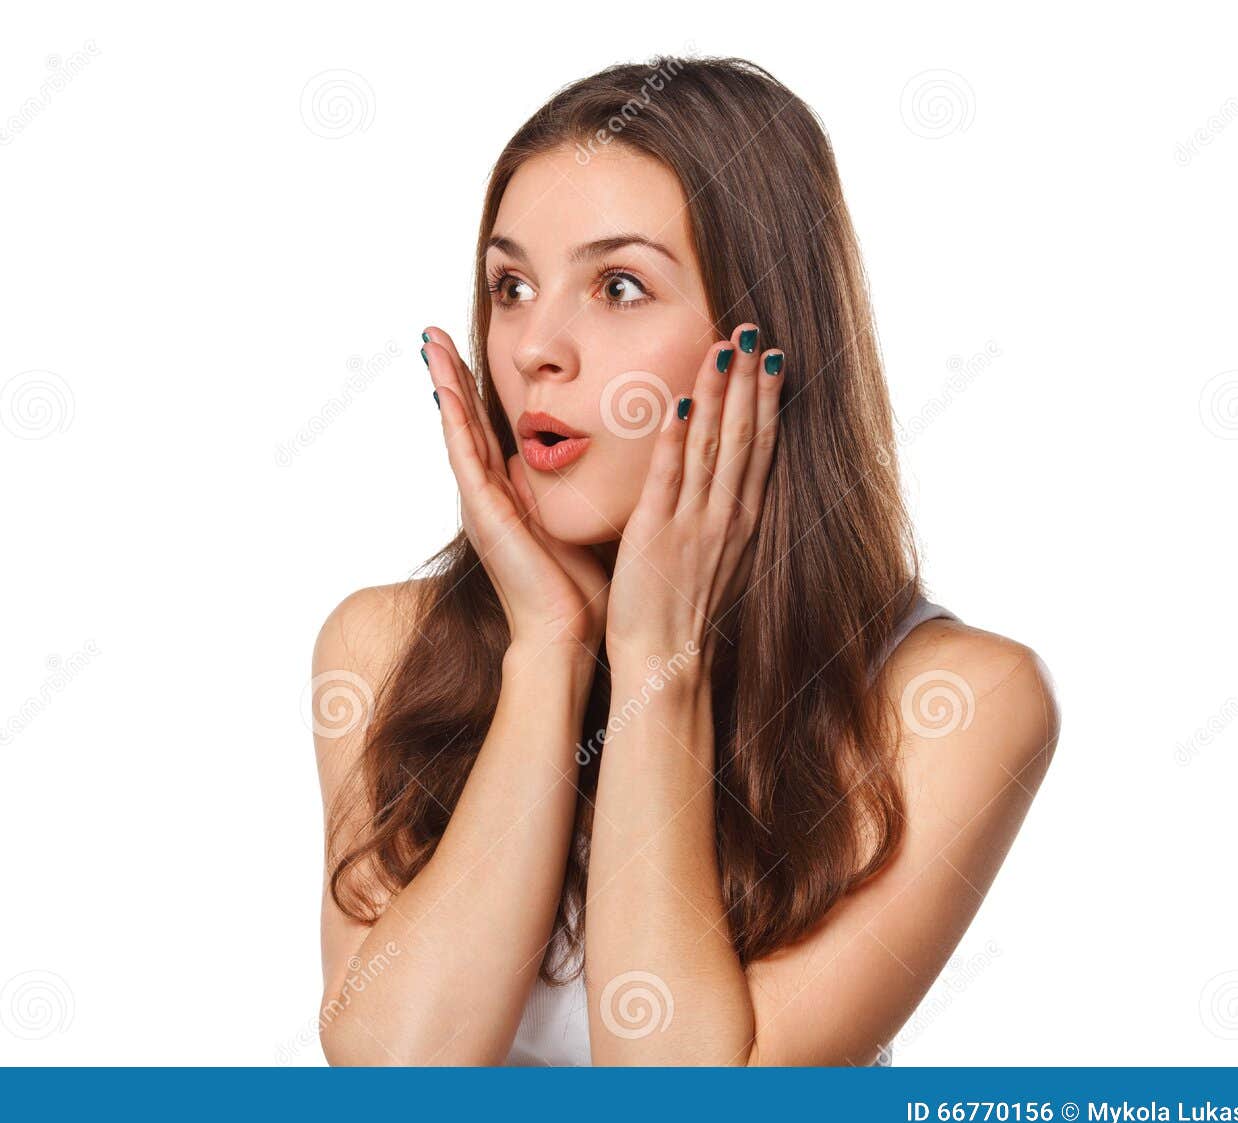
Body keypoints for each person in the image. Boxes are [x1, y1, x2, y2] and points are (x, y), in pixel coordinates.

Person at [309, 55, 1060, 1066]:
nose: (536, 346)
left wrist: (661, 654)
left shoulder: (959, 699)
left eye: (618, 285)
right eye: (512, 285)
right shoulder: (382, 644)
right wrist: (549, 647)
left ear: (761, 341)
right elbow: (398, 1078)